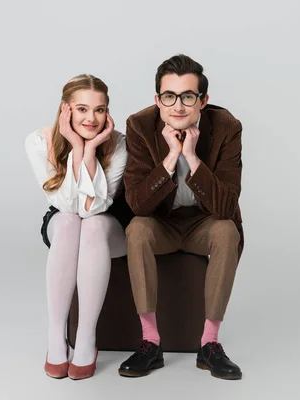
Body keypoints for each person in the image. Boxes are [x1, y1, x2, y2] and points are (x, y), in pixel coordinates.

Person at [118, 54, 244, 380]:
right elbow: (139, 204)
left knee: (227, 231)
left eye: (188, 96)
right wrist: (172, 158)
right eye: (169, 96)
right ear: (157, 100)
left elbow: (226, 206)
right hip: (161, 222)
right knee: (137, 229)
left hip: (204, 221)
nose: (178, 106)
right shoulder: (140, 126)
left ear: (203, 100)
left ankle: (210, 345)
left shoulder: (227, 127)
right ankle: (150, 343)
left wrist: (192, 156)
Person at [24, 74, 127, 380]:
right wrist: (74, 146)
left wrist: (93, 148)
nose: (91, 118)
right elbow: (68, 206)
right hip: (64, 223)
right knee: (69, 223)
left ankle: (86, 338)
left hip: (109, 227)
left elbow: (93, 208)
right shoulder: (39, 142)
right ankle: (56, 336)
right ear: (65, 109)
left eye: (99, 109)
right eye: (82, 109)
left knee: (92, 225)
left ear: (107, 111)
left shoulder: (119, 143)